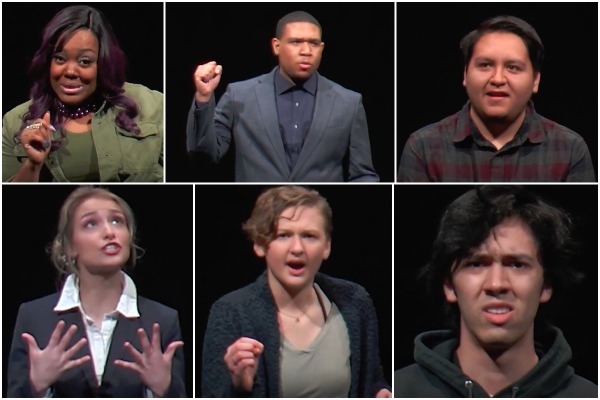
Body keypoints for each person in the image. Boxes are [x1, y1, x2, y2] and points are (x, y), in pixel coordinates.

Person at [394, 186, 598, 397]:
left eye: (517, 265)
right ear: (449, 285)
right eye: (476, 264)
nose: (496, 284)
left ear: (546, 285)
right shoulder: (399, 392)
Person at [202, 186, 390, 397]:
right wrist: (239, 387)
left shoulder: (355, 302)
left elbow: (372, 381)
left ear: (326, 246)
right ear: (260, 244)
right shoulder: (231, 313)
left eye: (309, 236)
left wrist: (381, 392)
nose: (297, 248)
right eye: (283, 235)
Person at [6, 187, 185, 397]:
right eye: (91, 223)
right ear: (70, 247)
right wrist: (37, 387)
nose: (109, 232)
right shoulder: (34, 317)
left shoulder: (162, 320)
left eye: (117, 221)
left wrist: (162, 391)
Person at [398, 15, 595, 182]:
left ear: (535, 80)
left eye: (513, 67)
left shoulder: (570, 149)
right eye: (485, 65)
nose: (498, 79)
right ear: (465, 74)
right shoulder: (423, 147)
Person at [187, 11, 379, 182]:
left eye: (313, 43)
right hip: (260, 210)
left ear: (322, 48)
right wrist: (203, 97)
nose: (306, 51)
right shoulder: (240, 95)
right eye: (296, 42)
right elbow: (205, 154)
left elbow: (363, 174)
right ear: (276, 46)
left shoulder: (348, 102)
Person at [2, 5, 163, 182]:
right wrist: (33, 164)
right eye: (60, 58)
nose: (70, 71)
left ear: (103, 64)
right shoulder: (15, 121)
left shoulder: (152, 104)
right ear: (48, 62)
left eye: (84, 61)